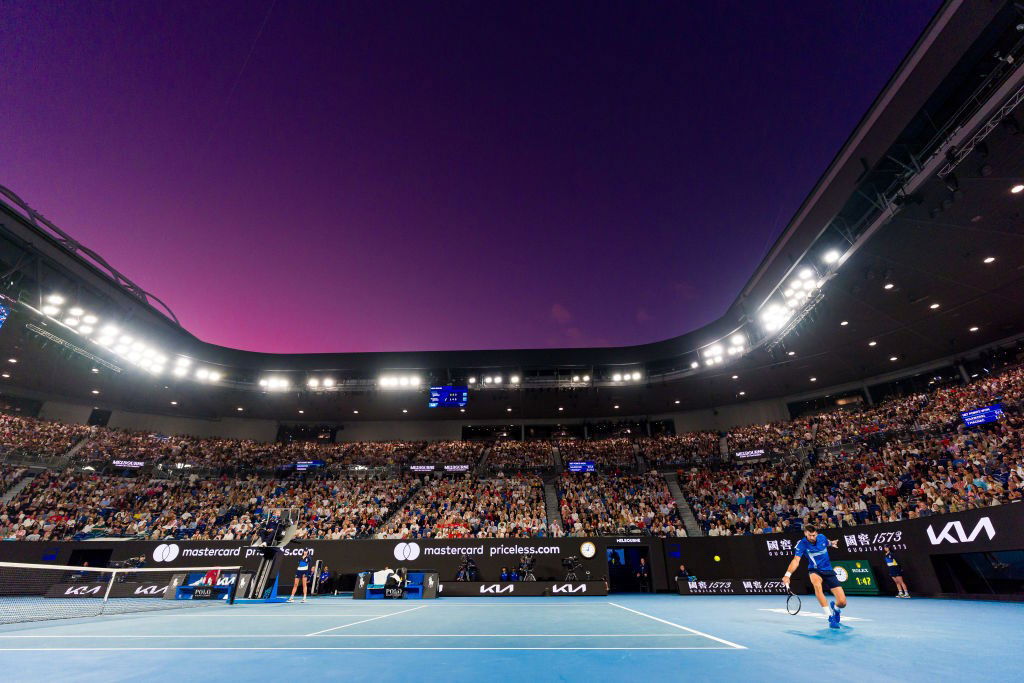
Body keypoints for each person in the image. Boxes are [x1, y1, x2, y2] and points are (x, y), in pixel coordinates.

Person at [781, 524, 848, 628]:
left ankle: (835, 608)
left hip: (828, 570)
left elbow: (827, 542)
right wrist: (787, 575)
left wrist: (831, 543)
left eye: (814, 535)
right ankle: (830, 617)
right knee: (817, 585)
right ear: (805, 533)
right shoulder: (801, 544)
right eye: (809, 535)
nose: (812, 538)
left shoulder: (821, 537)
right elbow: (796, 560)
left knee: (842, 602)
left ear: (816, 533)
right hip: (814, 570)